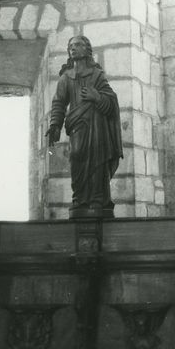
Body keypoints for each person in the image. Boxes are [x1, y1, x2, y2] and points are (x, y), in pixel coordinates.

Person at [47, 35, 122, 218]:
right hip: (77, 128)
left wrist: (96, 96)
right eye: (71, 46)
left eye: (78, 45)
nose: (73, 48)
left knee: (98, 161)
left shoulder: (97, 75)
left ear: (86, 49)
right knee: (77, 157)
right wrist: (55, 124)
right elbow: (58, 103)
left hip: (98, 128)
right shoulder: (66, 78)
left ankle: (98, 200)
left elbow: (111, 101)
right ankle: (79, 200)